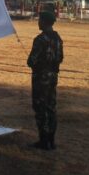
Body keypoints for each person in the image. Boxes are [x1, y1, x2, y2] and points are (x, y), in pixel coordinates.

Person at [27, 11, 64, 150]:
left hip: (40, 77)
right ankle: (51, 141)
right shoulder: (57, 38)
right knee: (51, 107)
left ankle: (43, 141)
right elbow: (60, 58)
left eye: (40, 20)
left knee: (40, 108)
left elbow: (31, 60)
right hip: (53, 76)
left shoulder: (40, 39)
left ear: (44, 22)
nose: (38, 22)